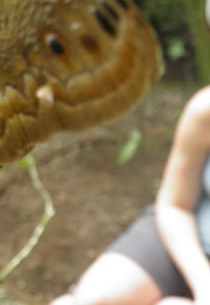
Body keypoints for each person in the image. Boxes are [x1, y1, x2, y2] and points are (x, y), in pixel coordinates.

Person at [50, 86, 210, 305]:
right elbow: (176, 205)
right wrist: (204, 283)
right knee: (93, 299)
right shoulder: (205, 109)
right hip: (185, 230)